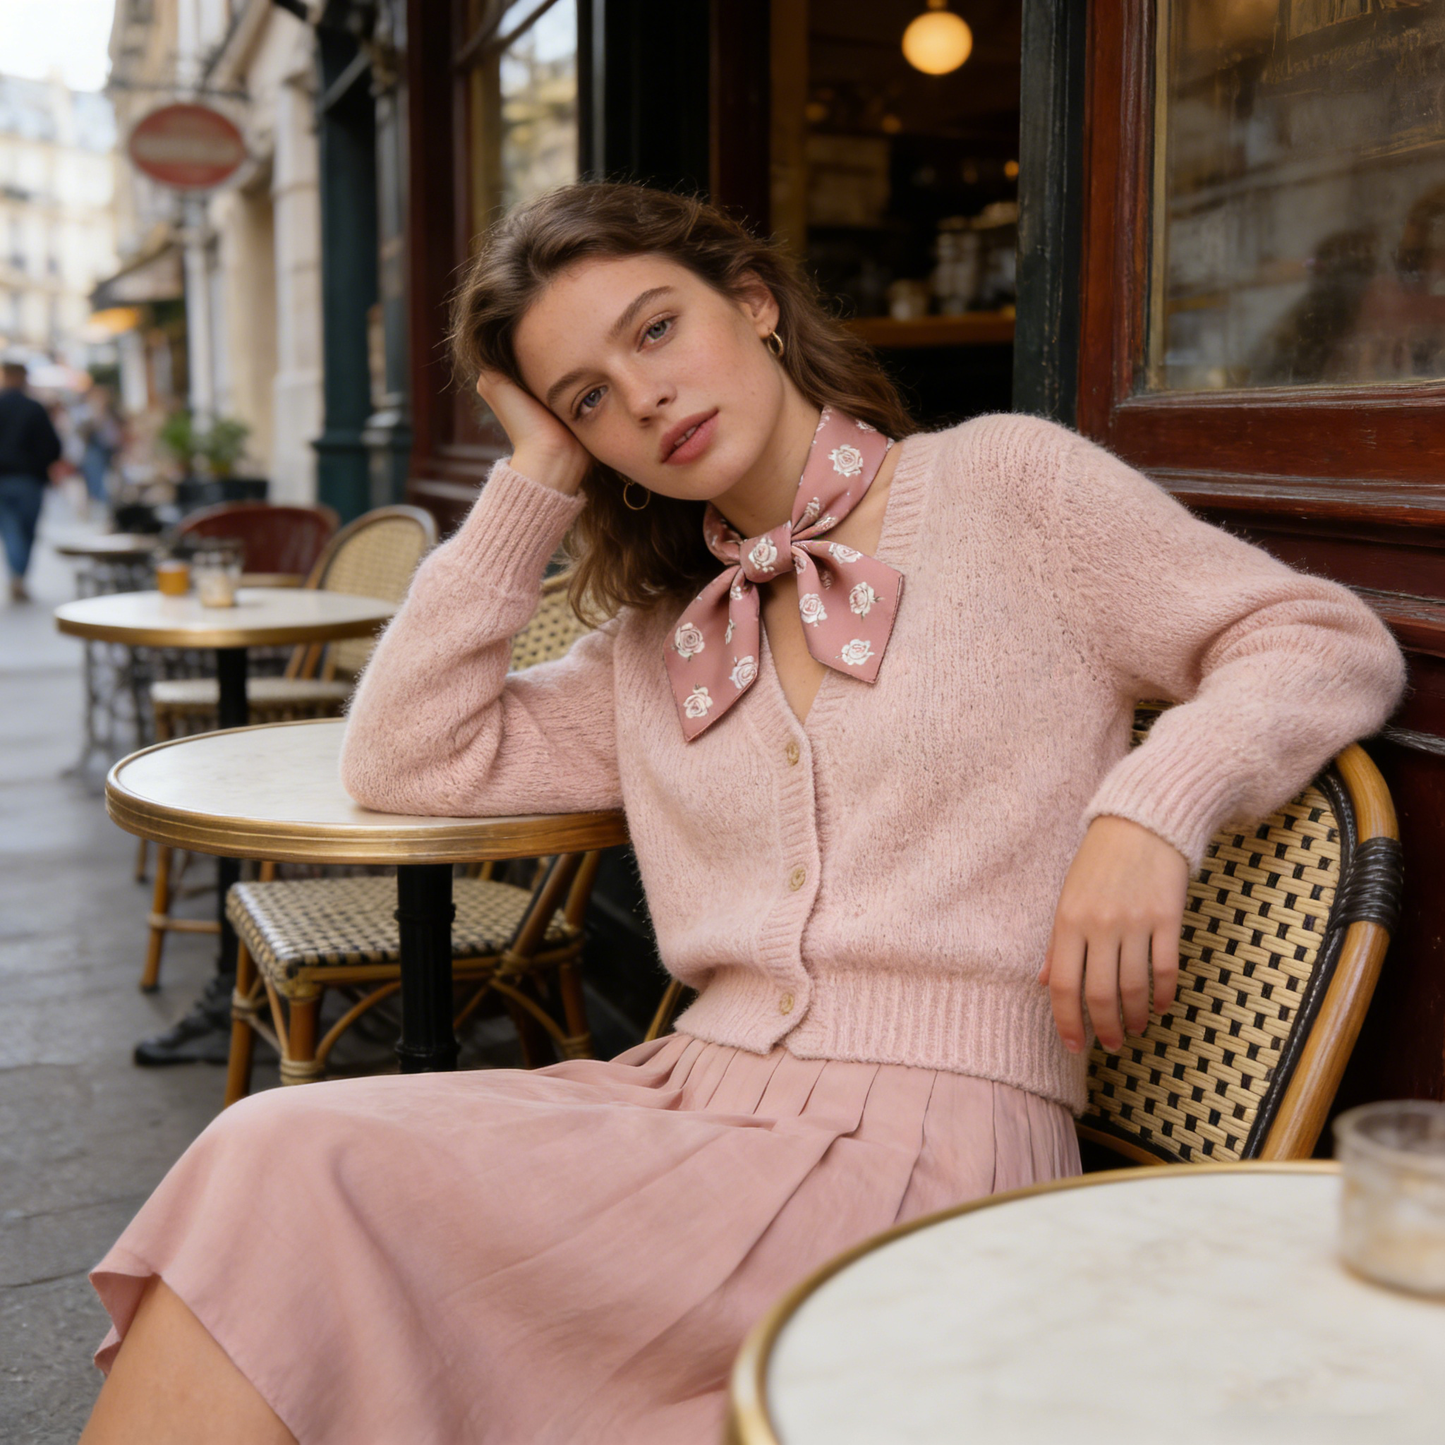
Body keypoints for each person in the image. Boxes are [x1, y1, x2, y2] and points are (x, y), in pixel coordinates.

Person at [80, 183, 1405, 1445]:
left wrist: (1151, 811)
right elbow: (408, 757)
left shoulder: (1008, 485)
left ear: (755, 303)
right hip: (684, 1110)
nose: (642, 396)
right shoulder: (661, 635)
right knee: (277, 1161)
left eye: (656, 329)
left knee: (285, 1170)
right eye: (588, 398)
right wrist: (532, 474)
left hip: (927, 1156)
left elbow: (1314, 635)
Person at [0, 358, 63, 602]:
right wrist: (40, 465)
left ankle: (17, 575)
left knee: (11, 529)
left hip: (6, 479)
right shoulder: (34, 408)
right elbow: (52, 446)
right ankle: (19, 575)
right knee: (25, 530)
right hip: (28, 479)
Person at [77, 383, 124, 518]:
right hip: (95, 450)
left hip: (111, 450)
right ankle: (100, 506)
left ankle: (109, 508)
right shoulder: (86, 413)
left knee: (112, 481)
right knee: (96, 480)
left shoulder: (112, 412)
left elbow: (118, 431)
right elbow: (82, 433)